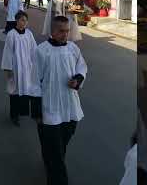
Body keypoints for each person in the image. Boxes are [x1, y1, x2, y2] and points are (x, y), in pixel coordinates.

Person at [32, 16, 88, 185]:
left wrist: (77, 79)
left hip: (70, 106)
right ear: (53, 31)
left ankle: (50, 161)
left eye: (67, 31)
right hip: (50, 106)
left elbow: (82, 67)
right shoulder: (41, 51)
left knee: (61, 145)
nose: (65, 35)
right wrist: (36, 111)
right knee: (55, 152)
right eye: (61, 31)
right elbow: (34, 82)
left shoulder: (73, 49)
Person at [1, 11, 38, 126]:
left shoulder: (29, 34)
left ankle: (22, 112)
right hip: (16, 67)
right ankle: (14, 115)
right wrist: (8, 69)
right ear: (17, 20)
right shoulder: (11, 34)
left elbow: (34, 50)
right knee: (15, 91)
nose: (24, 22)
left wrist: (36, 65)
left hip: (27, 67)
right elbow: (7, 52)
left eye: (26, 20)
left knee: (26, 89)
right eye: (22, 20)